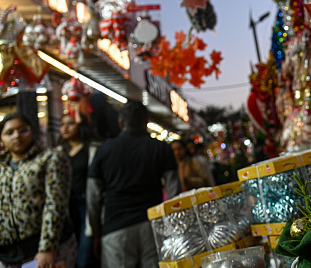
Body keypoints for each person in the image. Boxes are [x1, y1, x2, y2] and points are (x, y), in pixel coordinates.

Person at [87, 101, 182, 267]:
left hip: (116, 230)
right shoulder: (161, 148)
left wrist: (96, 233)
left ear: (121, 121)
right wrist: (175, 228)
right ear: (146, 121)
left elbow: (93, 197)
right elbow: (174, 191)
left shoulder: (103, 151)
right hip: (153, 228)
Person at [0, 112, 77, 268]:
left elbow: (55, 204)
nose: (17, 136)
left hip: (45, 249)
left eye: (23, 130)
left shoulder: (50, 159)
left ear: (32, 132)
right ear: (1, 138)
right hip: (9, 254)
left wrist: (48, 248)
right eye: (9, 132)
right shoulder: (2, 167)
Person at [58, 113, 101, 268]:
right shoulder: (58, 152)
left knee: (84, 257)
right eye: (62, 124)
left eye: (70, 123)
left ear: (80, 126)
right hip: (66, 208)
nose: (65, 128)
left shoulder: (92, 150)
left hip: (87, 205)